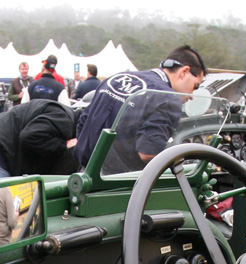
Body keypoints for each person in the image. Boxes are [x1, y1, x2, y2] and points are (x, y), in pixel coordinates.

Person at [74, 45, 206, 175]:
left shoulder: (116, 78)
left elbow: (83, 121)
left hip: (84, 174)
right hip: (120, 185)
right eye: (195, 86)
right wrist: (180, 161)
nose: (192, 96)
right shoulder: (168, 98)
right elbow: (148, 152)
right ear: (184, 72)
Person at [0, 99, 78, 180]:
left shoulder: (54, 110)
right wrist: (63, 145)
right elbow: (30, 136)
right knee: (2, 214)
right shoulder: (65, 119)